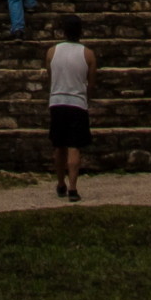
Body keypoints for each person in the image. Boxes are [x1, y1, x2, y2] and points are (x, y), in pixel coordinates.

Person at [46, 15, 97, 202]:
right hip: (77, 103)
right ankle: (73, 188)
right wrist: (85, 97)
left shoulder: (52, 52)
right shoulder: (88, 54)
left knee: (59, 146)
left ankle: (60, 183)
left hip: (57, 101)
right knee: (74, 147)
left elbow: (50, 77)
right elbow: (91, 83)